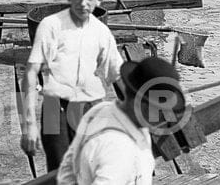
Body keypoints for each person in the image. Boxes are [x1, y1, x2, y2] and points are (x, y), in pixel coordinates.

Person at [21, 0, 122, 172]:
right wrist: (29, 125)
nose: (83, 3)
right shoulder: (50, 26)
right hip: (53, 108)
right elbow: (31, 73)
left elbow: (118, 75)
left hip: (89, 107)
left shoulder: (101, 32)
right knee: (59, 172)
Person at [56, 55, 186, 185]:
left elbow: (67, 172)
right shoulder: (119, 149)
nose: (165, 118)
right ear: (145, 107)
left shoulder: (101, 111)